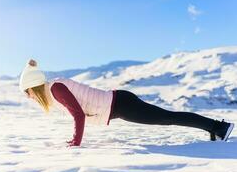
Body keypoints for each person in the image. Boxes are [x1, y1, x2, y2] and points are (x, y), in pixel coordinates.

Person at [19, 59, 235, 147]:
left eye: (27, 92)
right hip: (119, 104)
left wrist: (76, 141)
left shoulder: (56, 88)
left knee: (168, 118)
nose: (28, 97)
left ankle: (219, 127)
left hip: (121, 104)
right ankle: (215, 128)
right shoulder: (54, 89)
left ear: (33, 87)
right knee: (167, 117)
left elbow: (77, 113)